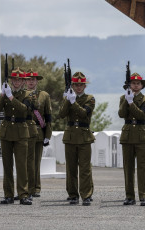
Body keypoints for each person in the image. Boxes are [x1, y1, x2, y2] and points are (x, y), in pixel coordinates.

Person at [0, 67, 34, 205]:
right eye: (14, 79)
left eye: (19, 80)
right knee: (7, 165)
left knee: (21, 165)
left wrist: (11, 97)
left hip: (21, 132)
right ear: (11, 80)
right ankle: (8, 195)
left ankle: (23, 194)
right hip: (6, 131)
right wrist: (2, 94)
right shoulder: (6, 93)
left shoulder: (28, 95)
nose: (16, 82)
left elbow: (24, 110)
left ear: (23, 81)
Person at [60, 71, 95, 206]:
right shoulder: (68, 98)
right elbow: (62, 114)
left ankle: (86, 195)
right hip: (70, 136)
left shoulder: (90, 99)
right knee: (71, 168)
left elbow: (84, 114)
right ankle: (73, 194)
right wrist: (67, 101)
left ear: (84, 86)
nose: (78, 87)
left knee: (85, 168)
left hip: (84, 136)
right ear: (72, 86)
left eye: (81, 85)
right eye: (76, 85)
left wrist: (73, 102)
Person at [119, 72, 145, 206]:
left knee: (143, 167)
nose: (136, 86)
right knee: (128, 168)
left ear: (141, 86)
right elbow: (121, 114)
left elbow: (141, 115)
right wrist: (127, 101)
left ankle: (144, 195)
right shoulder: (123, 98)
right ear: (129, 85)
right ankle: (129, 196)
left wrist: (131, 102)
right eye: (133, 83)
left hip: (141, 135)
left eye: (138, 84)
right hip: (127, 136)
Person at [25, 69, 52, 198]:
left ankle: (36, 187)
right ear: (25, 81)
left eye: (33, 79)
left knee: (36, 162)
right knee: (25, 162)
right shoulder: (21, 94)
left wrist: (48, 135)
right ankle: (25, 188)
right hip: (24, 131)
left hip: (38, 132)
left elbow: (48, 116)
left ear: (37, 81)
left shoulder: (44, 95)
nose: (31, 81)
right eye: (29, 79)